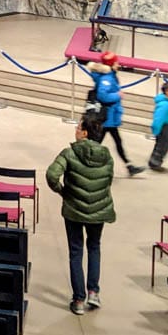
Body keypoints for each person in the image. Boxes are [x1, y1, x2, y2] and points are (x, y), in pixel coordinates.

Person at [46, 113, 116, 316]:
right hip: (99, 211)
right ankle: (93, 292)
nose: (75, 130)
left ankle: (78, 300)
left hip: (74, 211)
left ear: (84, 132)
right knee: (94, 248)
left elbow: (52, 175)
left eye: (78, 127)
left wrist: (62, 191)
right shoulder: (107, 156)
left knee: (76, 253)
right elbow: (108, 180)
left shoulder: (69, 153)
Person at [82, 52, 143, 176]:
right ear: (111, 64)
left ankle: (129, 166)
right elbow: (102, 95)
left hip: (109, 117)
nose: (118, 64)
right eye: (116, 62)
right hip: (106, 117)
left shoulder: (109, 75)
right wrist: (117, 95)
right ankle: (84, 165)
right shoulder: (107, 78)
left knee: (113, 141)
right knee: (98, 142)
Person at [149, 81, 168, 171]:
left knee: (164, 145)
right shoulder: (165, 105)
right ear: (167, 92)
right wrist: (156, 129)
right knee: (163, 145)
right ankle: (154, 163)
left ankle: (155, 161)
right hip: (163, 127)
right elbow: (158, 118)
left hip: (166, 126)